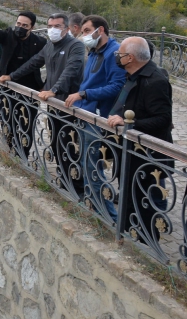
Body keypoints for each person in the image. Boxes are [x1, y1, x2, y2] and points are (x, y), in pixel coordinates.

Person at [0, 13, 85, 192]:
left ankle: (77, 187)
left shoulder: (75, 45)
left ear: (67, 29)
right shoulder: (49, 46)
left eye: (57, 26)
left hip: (69, 103)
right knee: (56, 142)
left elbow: (71, 70)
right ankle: (65, 180)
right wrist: (12, 76)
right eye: (50, 26)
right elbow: (33, 63)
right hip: (54, 103)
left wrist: (54, 89)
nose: (53, 29)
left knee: (69, 143)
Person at [107, 37, 173, 243]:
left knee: (144, 204)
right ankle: (127, 235)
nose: (117, 57)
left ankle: (145, 245)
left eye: (120, 54)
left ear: (130, 57)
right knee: (128, 199)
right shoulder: (133, 75)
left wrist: (130, 123)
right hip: (129, 151)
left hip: (145, 156)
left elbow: (163, 119)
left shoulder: (155, 81)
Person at [64, 15, 126, 222]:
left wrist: (84, 95)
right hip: (86, 113)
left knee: (93, 166)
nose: (84, 35)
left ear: (100, 30)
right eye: (82, 31)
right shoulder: (94, 52)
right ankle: (97, 206)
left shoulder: (114, 53)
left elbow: (117, 86)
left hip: (99, 117)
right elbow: (87, 81)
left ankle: (109, 216)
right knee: (86, 164)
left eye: (87, 30)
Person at [0, 11, 46, 157]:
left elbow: (47, 63)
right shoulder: (10, 34)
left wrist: (45, 85)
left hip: (29, 87)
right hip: (6, 85)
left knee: (27, 121)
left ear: (32, 27)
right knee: (8, 119)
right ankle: (10, 150)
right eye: (18, 24)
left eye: (24, 25)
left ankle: (23, 155)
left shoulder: (40, 42)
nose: (20, 27)